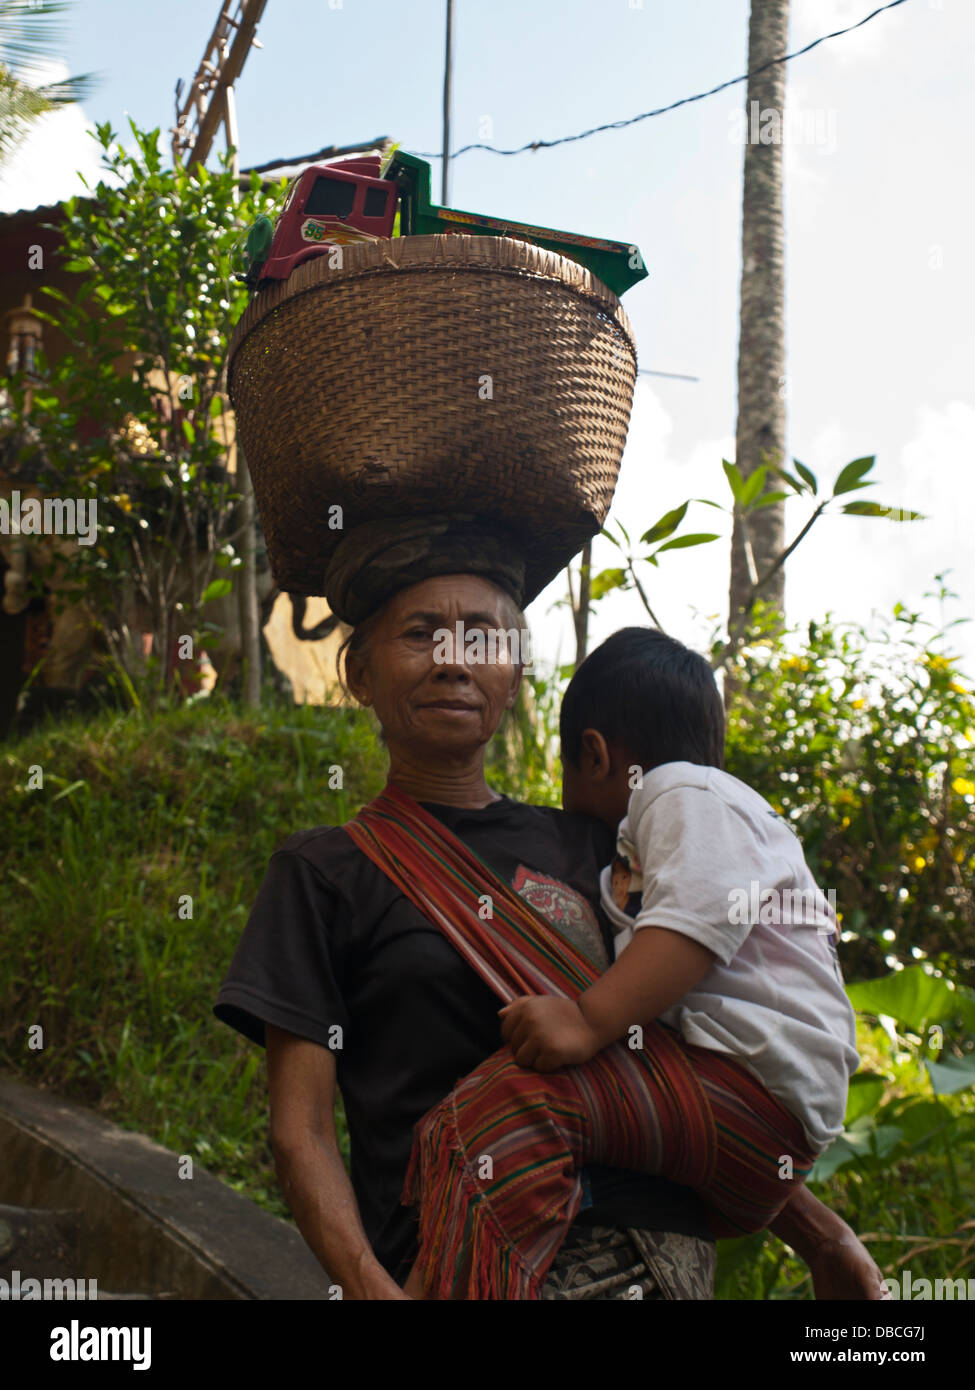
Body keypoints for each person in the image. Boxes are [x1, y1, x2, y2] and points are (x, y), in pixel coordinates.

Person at [212, 541, 884, 1300]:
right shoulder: (324, 874)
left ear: (514, 675)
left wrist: (822, 1236)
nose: (452, 661)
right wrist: (368, 1288)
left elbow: (679, 1067)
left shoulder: (601, 842)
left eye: (483, 639)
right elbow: (298, 1130)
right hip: (450, 1264)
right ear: (358, 674)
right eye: (419, 632)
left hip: (652, 1263)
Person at [399, 625, 860, 1300]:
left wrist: (586, 1021)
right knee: (466, 1126)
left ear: (594, 754)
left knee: (507, 1108)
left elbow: (696, 922)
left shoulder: (683, 795)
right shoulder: (694, 818)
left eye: (566, 774)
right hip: (740, 1134)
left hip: (750, 1095)